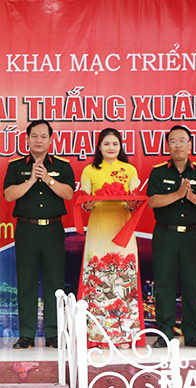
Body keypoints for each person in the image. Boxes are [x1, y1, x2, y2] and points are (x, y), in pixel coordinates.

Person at [3, 120, 75, 349]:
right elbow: (8, 195)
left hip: (53, 229)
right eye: (34, 136)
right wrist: (32, 180)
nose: (39, 140)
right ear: (27, 139)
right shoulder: (16, 166)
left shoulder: (62, 166)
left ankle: (54, 334)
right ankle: (27, 334)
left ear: (51, 140)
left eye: (44, 136)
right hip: (27, 229)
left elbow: (69, 194)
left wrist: (48, 179)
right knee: (26, 282)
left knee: (55, 283)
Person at [147, 125, 196, 348]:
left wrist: (190, 196)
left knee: (191, 285)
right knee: (164, 285)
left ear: (190, 144)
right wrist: (177, 195)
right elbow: (153, 201)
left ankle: (192, 332)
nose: (178, 145)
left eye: (182, 140)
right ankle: (165, 333)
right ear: (168, 145)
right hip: (166, 234)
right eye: (173, 141)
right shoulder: (159, 172)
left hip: (192, 235)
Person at [78, 128, 144, 349]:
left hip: (122, 230)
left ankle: (124, 336)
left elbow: (133, 201)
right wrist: (88, 203)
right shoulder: (89, 170)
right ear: (99, 147)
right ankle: (96, 335)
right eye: (106, 144)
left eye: (115, 144)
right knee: (98, 282)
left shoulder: (129, 170)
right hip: (98, 229)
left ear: (120, 147)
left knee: (123, 283)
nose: (111, 148)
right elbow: (86, 203)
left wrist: (131, 204)